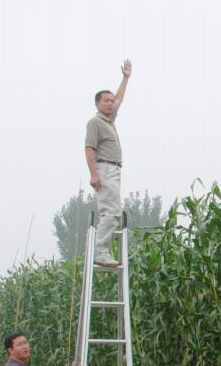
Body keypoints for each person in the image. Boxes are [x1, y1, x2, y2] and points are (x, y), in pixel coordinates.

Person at [85, 59, 132, 267]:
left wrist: (125, 78)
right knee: (111, 212)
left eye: (111, 100)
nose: (111, 102)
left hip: (114, 170)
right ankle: (101, 251)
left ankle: (102, 250)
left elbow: (120, 97)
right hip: (104, 168)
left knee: (111, 210)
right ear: (97, 103)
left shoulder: (109, 120)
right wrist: (94, 174)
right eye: (106, 100)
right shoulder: (95, 122)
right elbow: (89, 149)